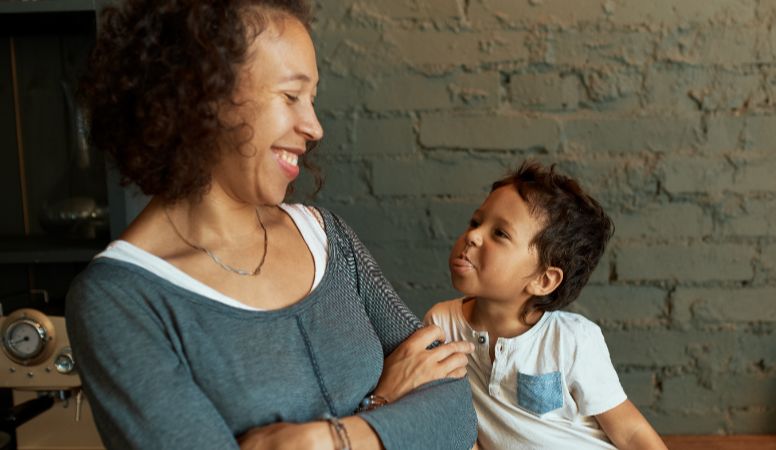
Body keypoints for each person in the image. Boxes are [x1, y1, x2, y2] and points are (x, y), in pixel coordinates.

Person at [65, 1, 477, 449]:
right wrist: (389, 408)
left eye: (311, 100)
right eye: (291, 96)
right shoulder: (121, 299)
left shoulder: (327, 238)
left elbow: (455, 411)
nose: (314, 127)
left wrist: (325, 440)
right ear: (202, 96)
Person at [425, 161, 667, 449]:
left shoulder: (572, 341)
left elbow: (630, 432)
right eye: (476, 222)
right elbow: (444, 416)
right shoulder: (441, 325)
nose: (473, 236)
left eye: (500, 234)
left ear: (543, 280)